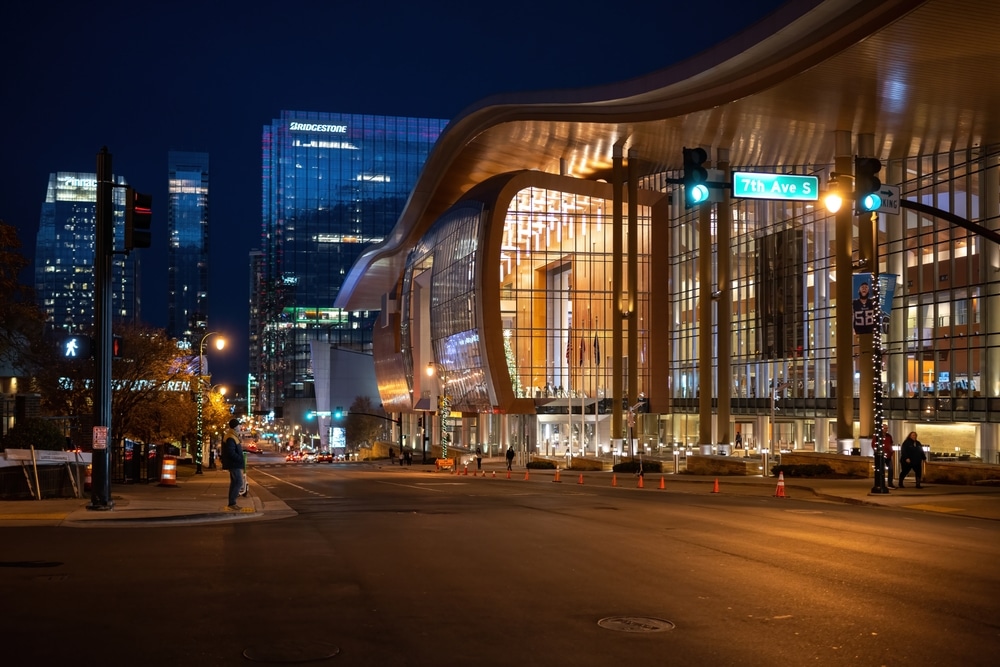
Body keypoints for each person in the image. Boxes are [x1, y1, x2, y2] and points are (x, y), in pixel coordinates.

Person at [220, 418, 245, 510]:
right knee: (238, 482)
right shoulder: (231, 437)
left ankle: (232, 503)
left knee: (234, 483)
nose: (240, 427)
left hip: (234, 463)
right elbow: (231, 452)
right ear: (235, 427)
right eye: (239, 425)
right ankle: (232, 503)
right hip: (234, 464)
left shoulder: (232, 436)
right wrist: (240, 459)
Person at [881, 424, 896, 489]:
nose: (886, 430)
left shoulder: (889, 436)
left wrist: (891, 451)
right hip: (881, 455)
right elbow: (873, 444)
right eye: (885, 428)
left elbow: (891, 443)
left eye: (887, 428)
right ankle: (882, 483)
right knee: (882, 470)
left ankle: (890, 483)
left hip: (889, 456)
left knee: (891, 469)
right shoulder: (877, 436)